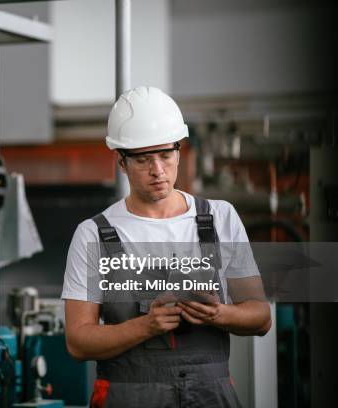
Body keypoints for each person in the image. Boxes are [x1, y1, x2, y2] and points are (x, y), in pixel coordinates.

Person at [61, 86, 271, 407]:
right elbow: (78, 341)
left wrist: (218, 313)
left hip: (210, 395)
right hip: (128, 396)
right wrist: (146, 326)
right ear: (121, 162)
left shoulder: (218, 218)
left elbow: (261, 318)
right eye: (144, 159)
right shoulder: (93, 235)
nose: (157, 171)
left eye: (165, 155)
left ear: (179, 150)